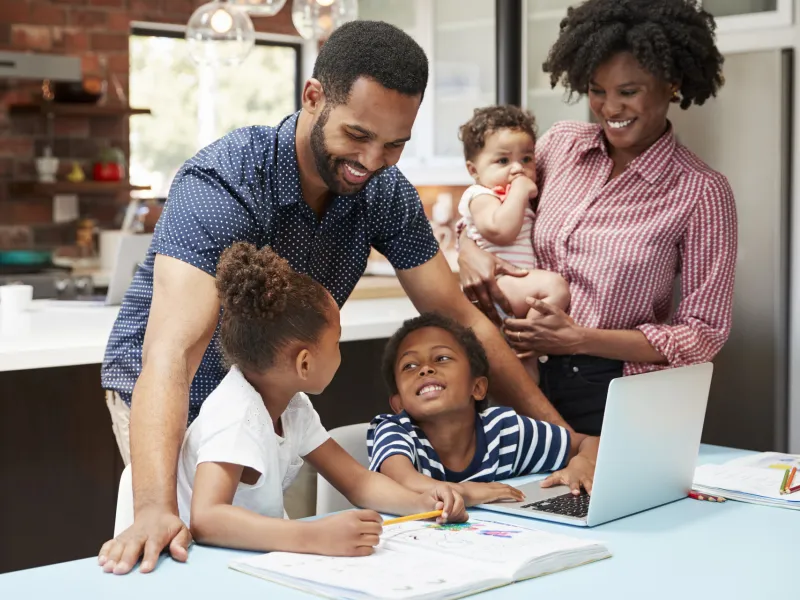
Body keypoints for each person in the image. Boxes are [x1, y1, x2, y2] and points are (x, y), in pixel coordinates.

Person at [99, 21, 592, 575]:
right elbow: (170, 354)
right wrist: (153, 510)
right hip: (177, 391)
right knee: (184, 545)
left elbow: (462, 321)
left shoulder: (382, 191)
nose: (373, 160)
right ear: (314, 98)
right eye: (357, 135)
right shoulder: (227, 182)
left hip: (270, 392)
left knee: (255, 553)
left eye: (394, 144)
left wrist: (573, 445)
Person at [459, 0, 737, 436]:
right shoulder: (560, 145)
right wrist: (466, 248)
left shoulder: (701, 191)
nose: (609, 108)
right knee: (516, 500)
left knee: (593, 502)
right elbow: (497, 209)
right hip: (517, 366)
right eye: (596, 90)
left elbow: (702, 335)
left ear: (672, 85)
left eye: (628, 92)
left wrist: (579, 338)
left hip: (608, 386)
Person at [99, 244, 465, 567]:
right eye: (337, 341)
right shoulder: (237, 414)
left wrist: (421, 502)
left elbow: (358, 481)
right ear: (304, 363)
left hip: (235, 558)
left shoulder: (293, 408)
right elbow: (207, 520)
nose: (341, 350)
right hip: (182, 563)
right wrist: (314, 537)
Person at [367, 313, 598, 505]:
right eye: (410, 365)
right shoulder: (395, 431)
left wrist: (582, 463)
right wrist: (465, 492)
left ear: (477, 387)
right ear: (398, 405)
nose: (425, 369)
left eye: (441, 358)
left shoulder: (505, 431)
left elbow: (592, 443)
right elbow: (404, 480)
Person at [457, 105, 570, 382]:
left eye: (526, 158)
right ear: (474, 169)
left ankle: (524, 352)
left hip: (515, 287)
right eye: (503, 161)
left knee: (526, 377)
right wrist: (520, 190)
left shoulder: (511, 197)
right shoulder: (480, 194)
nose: (517, 168)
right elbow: (500, 231)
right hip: (497, 284)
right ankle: (526, 335)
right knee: (555, 286)